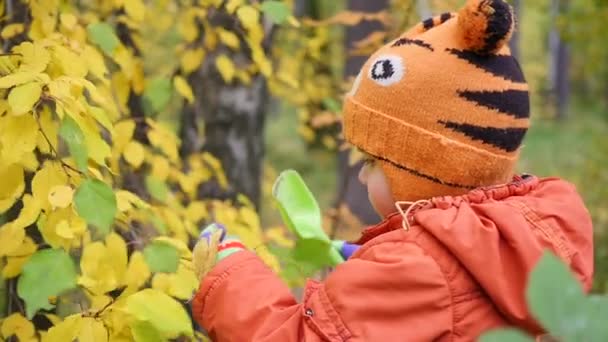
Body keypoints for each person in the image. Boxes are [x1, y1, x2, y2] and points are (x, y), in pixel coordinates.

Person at [190, 0, 594, 340]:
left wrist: (231, 276)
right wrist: (368, 262)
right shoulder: (518, 238)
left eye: (372, 162)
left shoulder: (416, 267)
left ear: (433, 169)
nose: (362, 177)